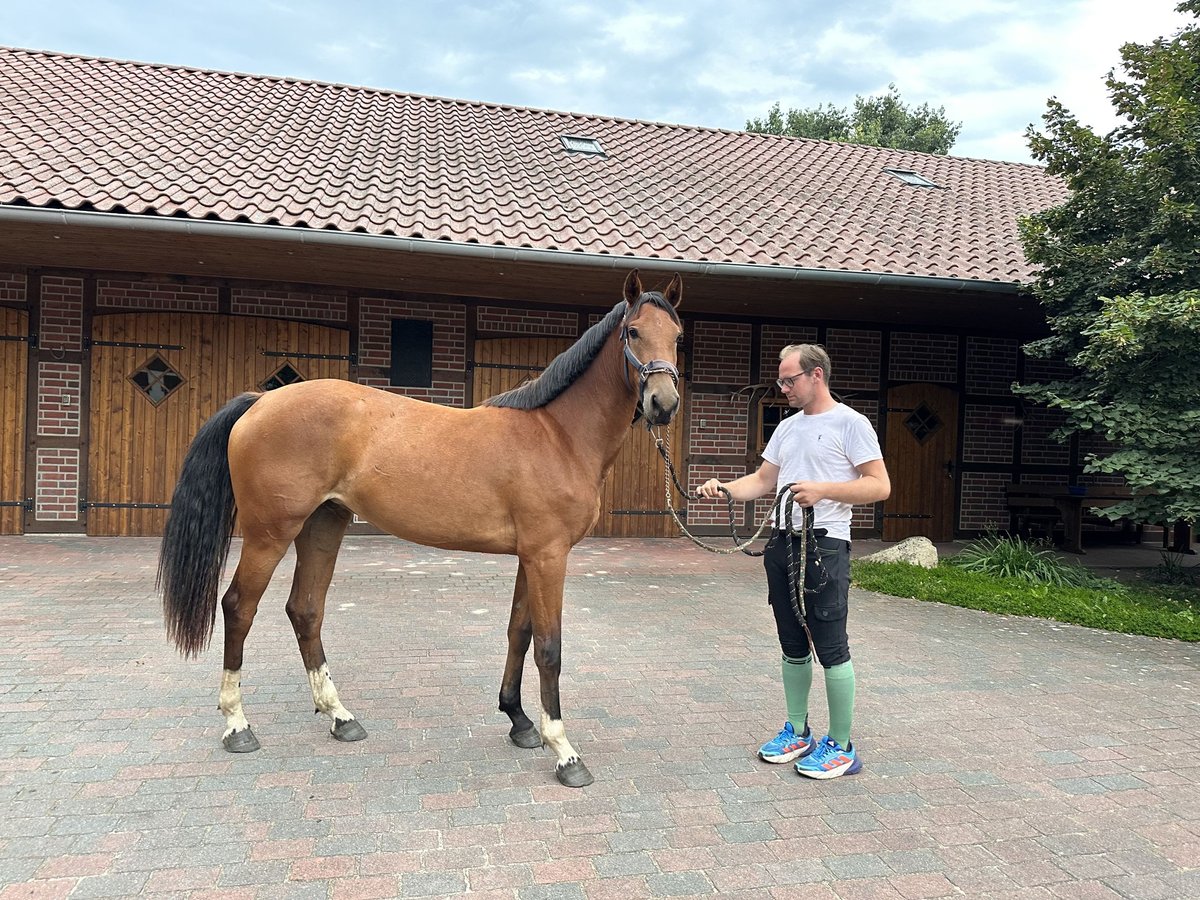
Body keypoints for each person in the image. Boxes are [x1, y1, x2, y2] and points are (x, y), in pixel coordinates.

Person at [696, 344, 890, 779]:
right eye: (781, 380)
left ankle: (841, 746)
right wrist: (724, 488)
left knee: (832, 647)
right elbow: (765, 480)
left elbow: (879, 486)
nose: (782, 388)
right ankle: (799, 731)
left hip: (824, 547)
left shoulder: (851, 424)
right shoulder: (787, 428)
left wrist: (824, 490)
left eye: (789, 380)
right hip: (782, 544)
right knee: (792, 643)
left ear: (816, 375)